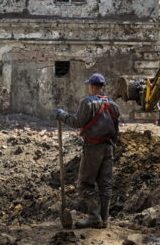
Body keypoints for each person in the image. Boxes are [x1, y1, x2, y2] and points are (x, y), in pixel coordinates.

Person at [55, 73, 120, 229]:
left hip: (93, 148)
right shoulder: (113, 105)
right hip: (108, 147)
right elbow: (116, 129)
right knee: (105, 185)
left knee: (85, 184)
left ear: (91, 86)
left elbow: (77, 122)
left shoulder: (87, 103)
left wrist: (62, 115)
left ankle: (94, 216)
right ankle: (104, 219)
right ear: (102, 87)